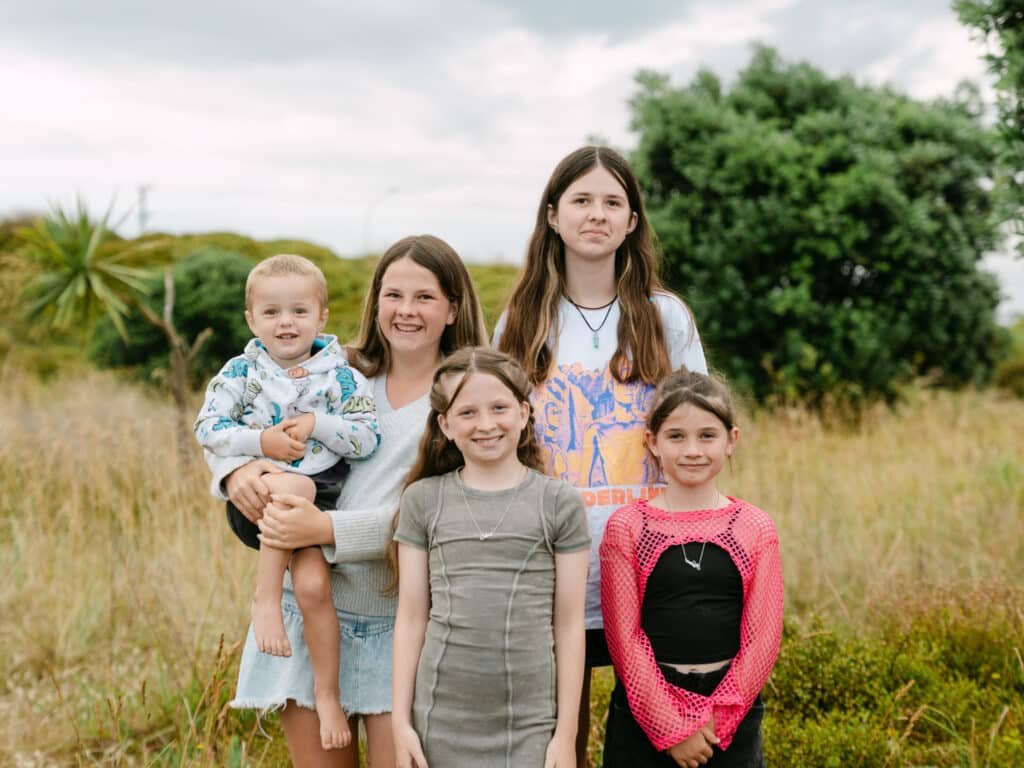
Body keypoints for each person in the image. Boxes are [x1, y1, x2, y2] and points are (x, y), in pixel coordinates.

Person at [211, 236, 488, 767]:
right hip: (307, 610)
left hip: (399, 621)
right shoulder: (333, 374)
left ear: (453, 308)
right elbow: (238, 427)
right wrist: (235, 472)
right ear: (375, 301)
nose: (406, 311)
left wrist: (328, 530)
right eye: (393, 295)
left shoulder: (466, 396)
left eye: (425, 297)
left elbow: (453, 511)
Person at [494, 145, 709, 763]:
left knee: (654, 731)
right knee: (559, 738)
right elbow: (496, 433)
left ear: (632, 220)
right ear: (553, 215)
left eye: (613, 202)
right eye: (582, 200)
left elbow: (699, 428)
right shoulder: (522, 319)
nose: (597, 214)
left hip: (650, 558)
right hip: (550, 556)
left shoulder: (664, 316)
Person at [195, 253, 380, 750]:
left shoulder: (341, 376)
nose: (286, 323)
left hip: (322, 500)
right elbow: (207, 427)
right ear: (251, 319)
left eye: (299, 311)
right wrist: (261, 444)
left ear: (321, 316)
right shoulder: (240, 372)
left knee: (315, 588)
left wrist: (320, 425)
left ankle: (326, 694)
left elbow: (367, 438)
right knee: (294, 487)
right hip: (260, 496)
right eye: (271, 312)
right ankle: (264, 598)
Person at [392, 347, 590, 768]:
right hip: (438, 722)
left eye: (499, 408)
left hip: (532, 724)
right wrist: (400, 723)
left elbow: (569, 625)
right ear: (445, 425)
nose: (485, 424)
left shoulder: (559, 503)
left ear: (523, 412)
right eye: (467, 413)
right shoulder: (422, 500)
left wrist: (565, 735)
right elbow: (411, 617)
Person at [600, 370, 783, 767]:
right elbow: (624, 638)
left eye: (707, 435)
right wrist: (669, 726)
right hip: (644, 710)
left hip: (731, 712)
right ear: (652, 442)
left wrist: (717, 720)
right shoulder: (628, 528)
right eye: (676, 436)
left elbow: (763, 638)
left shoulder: (754, 527)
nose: (692, 450)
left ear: (731, 440)